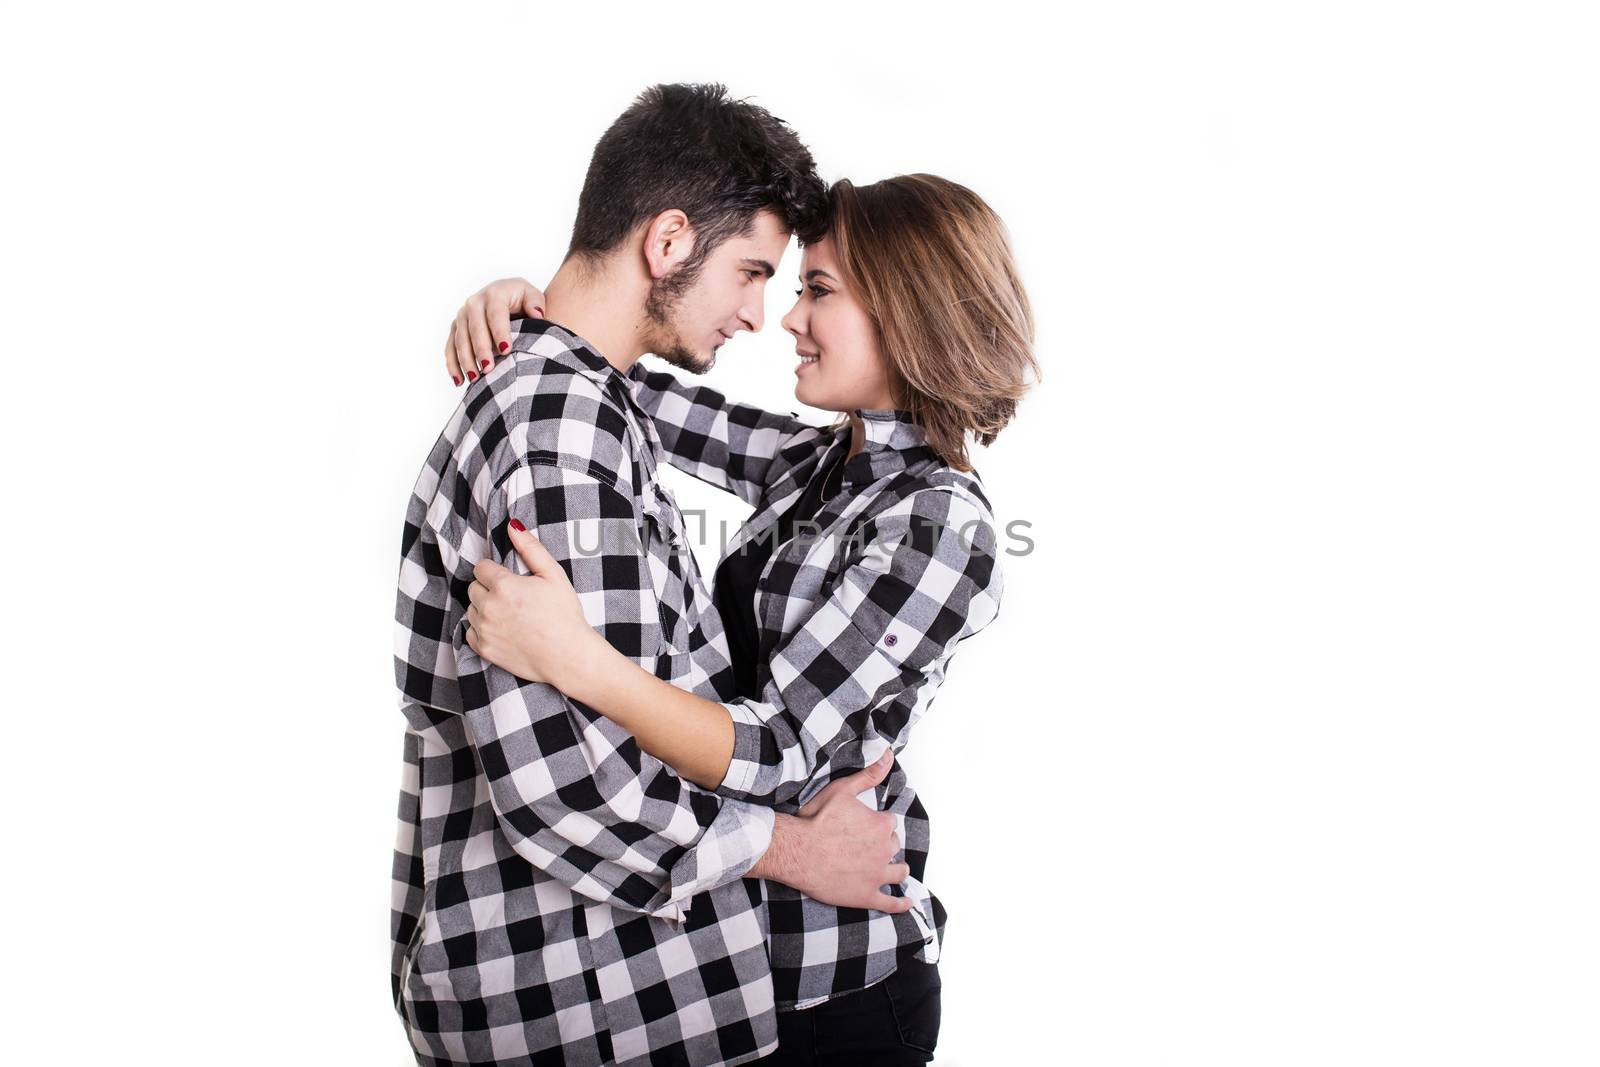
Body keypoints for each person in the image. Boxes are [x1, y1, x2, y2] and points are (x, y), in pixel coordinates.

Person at [442, 172, 1038, 1064]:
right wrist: (524, 308)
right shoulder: (820, 464)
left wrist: (581, 662)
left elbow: (776, 749)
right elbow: (630, 387)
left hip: (841, 982)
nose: (788, 319)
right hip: (735, 963)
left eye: (819, 291)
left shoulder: (942, 525)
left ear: (913, 311)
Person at [393, 83, 915, 1067]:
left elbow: (709, 426)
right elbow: (569, 783)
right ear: (668, 242)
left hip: (608, 990)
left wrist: (535, 318)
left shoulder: (589, 406)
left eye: (802, 287)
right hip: (573, 1003)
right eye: (755, 272)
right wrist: (786, 847)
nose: (765, 316)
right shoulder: (562, 430)